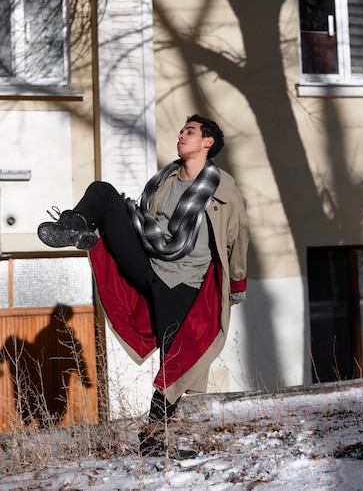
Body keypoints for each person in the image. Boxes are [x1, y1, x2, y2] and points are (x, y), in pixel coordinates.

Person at [37, 114, 249, 457]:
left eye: (190, 132)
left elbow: (238, 238)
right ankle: (73, 225)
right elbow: (145, 217)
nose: (181, 135)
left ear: (208, 143)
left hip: (186, 284)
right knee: (104, 193)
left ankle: (153, 438)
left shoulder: (224, 189)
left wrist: (237, 283)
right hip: (148, 263)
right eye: (181, 130)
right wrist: (120, 217)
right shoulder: (165, 177)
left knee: (174, 364)